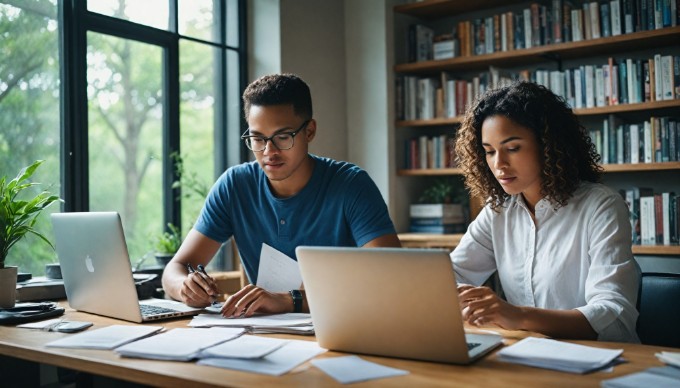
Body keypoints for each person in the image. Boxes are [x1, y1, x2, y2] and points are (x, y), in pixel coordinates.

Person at [162, 73, 401, 317]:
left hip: (343, 329)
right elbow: (175, 268)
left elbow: (392, 280)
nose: (269, 152)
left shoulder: (351, 185)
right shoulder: (234, 185)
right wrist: (185, 287)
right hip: (264, 335)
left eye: (283, 137)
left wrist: (289, 301)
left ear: (309, 131)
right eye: (257, 139)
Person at [451, 81, 640, 342]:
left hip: (601, 359)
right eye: (489, 152)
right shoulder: (498, 212)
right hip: (527, 354)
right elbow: (450, 275)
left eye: (512, 148)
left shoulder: (601, 205)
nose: (499, 164)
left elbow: (612, 314)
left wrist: (516, 315)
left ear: (549, 145)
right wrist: (455, 294)